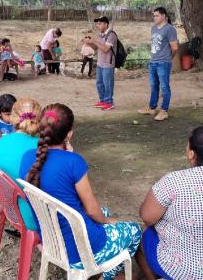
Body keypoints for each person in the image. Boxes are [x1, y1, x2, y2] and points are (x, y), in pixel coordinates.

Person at [19, 103, 142, 280]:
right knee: (134, 229)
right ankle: (106, 274)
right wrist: (108, 221)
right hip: (81, 249)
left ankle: (110, 270)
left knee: (104, 213)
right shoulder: (74, 162)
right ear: (69, 134)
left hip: (52, 240)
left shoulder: (27, 157)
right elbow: (91, 210)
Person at [138, 126, 203, 280]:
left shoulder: (173, 181)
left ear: (191, 154)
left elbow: (146, 216)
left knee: (144, 229)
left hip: (183, 271)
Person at [0, 98, 42, 231]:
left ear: (12, 118)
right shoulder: (42, 147)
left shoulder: (1, 143)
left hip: (11, 209)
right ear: (39, 119)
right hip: (35, 217)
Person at [138, 7, 179, 121]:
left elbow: (175, 47)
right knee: (154, 86)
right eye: (154, 15)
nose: (154, 17)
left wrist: (169, 58)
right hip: (153, 62)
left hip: (163, 63)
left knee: (164, 87)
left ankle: (164, 111)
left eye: (156, 15)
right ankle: (152, 108)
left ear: (164, 16)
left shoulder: (170, 29)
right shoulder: (154, 28)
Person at [83, 16, 117, 111]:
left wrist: (94, 41)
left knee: (108, 84)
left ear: (106, 24)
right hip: (100, 63)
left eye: (100, 23)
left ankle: (109, 102)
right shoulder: (99, 35)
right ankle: (103, 100)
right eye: (97, 24)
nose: (98, 25)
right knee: (99, 83)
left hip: (108, 64)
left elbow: (106, 49)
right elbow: (96, 48)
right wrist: (89, 43)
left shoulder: (111, 35)